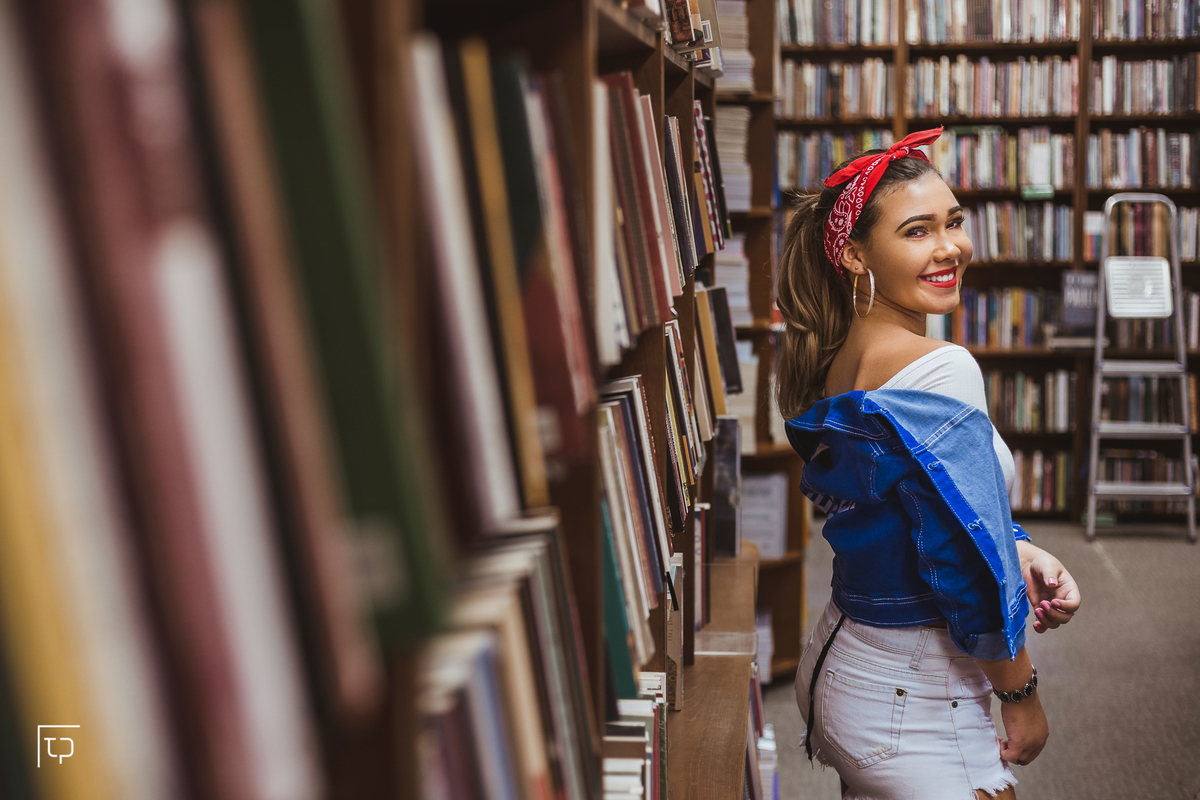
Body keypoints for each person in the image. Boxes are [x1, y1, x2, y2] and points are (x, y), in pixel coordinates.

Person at [777, 127, 1083, 800]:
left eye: (953, 222)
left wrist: (1021, 549)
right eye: (917, 231)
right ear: (855, 255)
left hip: (842, 656)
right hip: (912, 693)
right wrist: (1022, 692)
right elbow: (964, 556)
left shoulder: (840, 351)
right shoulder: (940, 368)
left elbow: (915, 506)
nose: (949, 248)